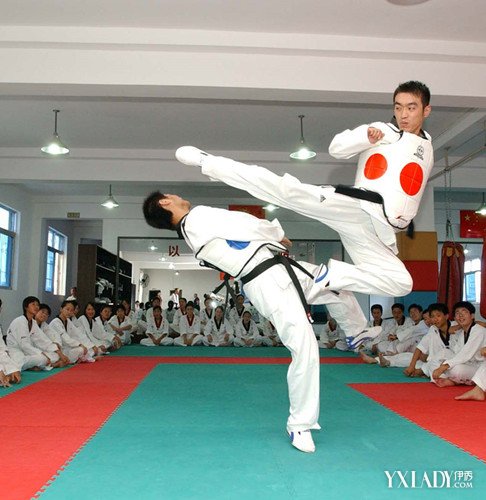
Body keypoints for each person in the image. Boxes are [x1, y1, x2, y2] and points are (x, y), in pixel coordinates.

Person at [143, 192, 379, 453]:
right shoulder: (195, 218)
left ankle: (356, 331)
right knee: (305, 347)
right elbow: (241, 222)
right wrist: (276, 234)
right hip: (267, 280)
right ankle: (299, 424)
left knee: (335, 284)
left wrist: (273, 241)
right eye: (170, 195)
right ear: (164, 202)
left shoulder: (191, 229)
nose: (177, 195)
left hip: (280, 267)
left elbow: (239, 233)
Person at [176, 80, 433, 302]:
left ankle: (332, 275)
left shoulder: (428, 145)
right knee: (286, 191)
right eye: (398, 108)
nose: (404, 115)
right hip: (357, 207)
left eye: (411, 108)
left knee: (402, 283)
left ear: (426, 110)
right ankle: (207, 162)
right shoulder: (386, 131)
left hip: (377, 232)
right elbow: (337, 147)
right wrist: (366, 137)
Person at [430, 301, 486, 387]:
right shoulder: (461, 332)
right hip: (467, 363)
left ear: (472, 316)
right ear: (455, 318)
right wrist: (445, 363)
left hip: (479, 368)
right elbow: (456, 352)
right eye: (457, 313)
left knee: (457, 370)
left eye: (464, 312)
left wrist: (444, 366)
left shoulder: (478, 331)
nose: (460, 315)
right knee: (443, 353)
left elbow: (465, 354)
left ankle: (453, 379)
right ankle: (444, 378)